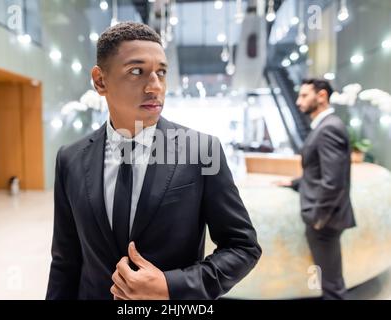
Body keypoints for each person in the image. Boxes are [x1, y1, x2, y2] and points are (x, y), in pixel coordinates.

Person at [46, 22, 261, 300]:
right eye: (137, 72)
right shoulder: (70, 158)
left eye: (161, 72)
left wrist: (172, 286)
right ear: (100, 81)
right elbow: (65, 261)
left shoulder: (201, 150)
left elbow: (242, 247)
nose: (155, 87)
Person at [276, 79, 356, 300]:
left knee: (332, 287)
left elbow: (333, 182)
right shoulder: (324, 126)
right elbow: (318, 172)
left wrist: (317, 219)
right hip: (326, 219)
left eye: (304, 95)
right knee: (329, 280)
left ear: (321, 96)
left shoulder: (329, 128)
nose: (298, 100)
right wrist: (294, 183)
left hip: (325, 221)